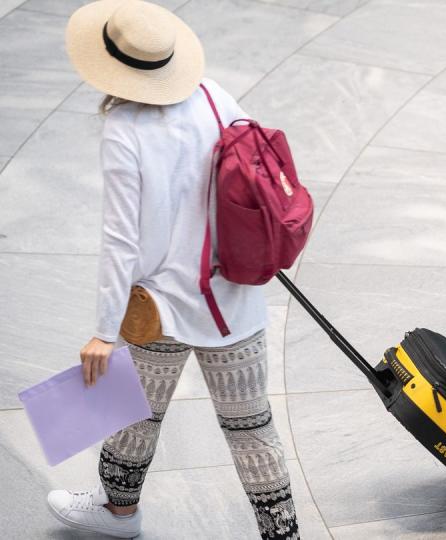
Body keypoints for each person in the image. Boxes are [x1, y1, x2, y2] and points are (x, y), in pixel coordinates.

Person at [46, 1, 299, 538]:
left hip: (160, 307)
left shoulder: (123, 128)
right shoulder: (215, 96)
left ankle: (118, 514)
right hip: (234, 298)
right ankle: (283, 534)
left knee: (133, 413)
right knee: (252, 430)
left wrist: (102, 331)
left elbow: (120, 238)